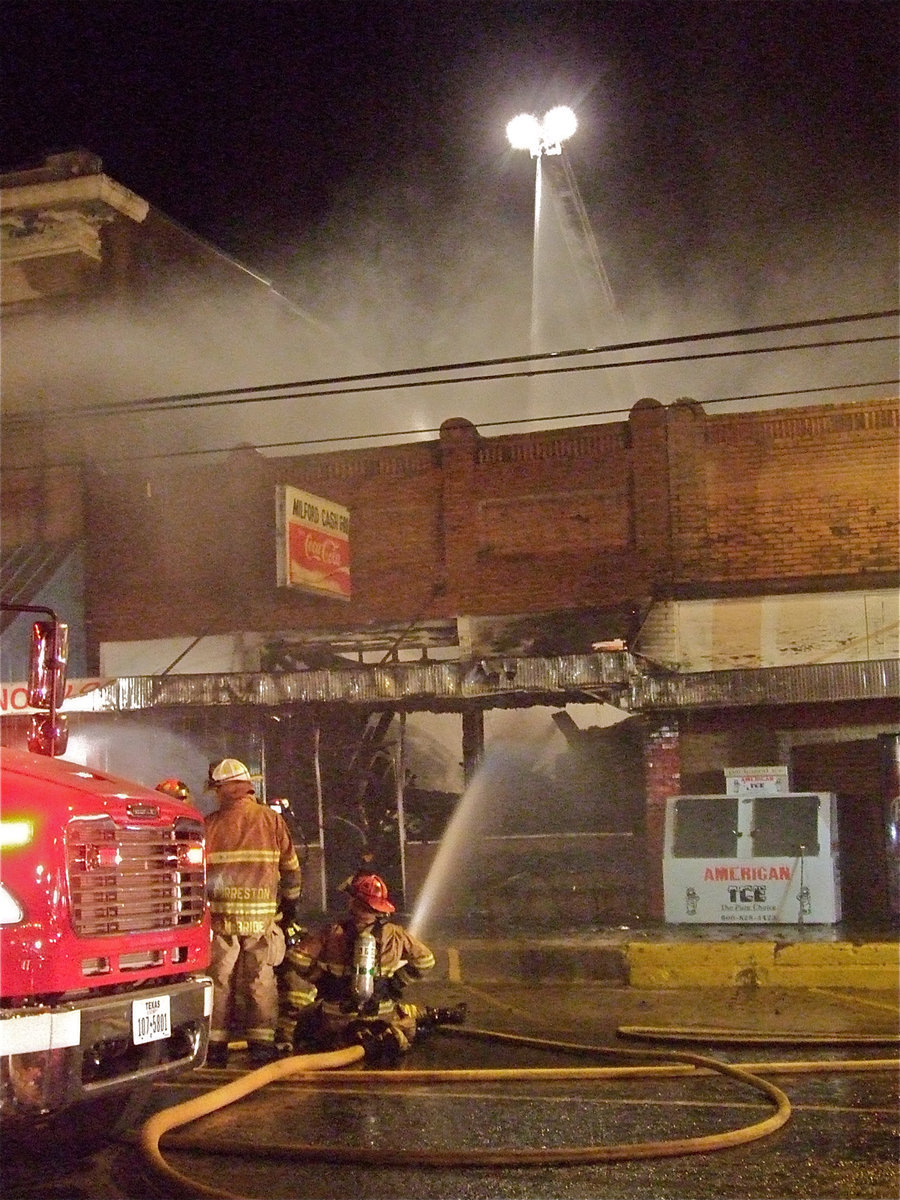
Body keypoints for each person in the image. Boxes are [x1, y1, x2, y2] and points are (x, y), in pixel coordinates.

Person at [279, 871, 465, 1064]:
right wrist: (395, 982)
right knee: (404, 1020)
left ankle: (434, 1016)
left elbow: (297, 957)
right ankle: (436, 1016)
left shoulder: (333, 932)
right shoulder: (395, 934)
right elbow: (426, 961)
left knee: (306, 1020)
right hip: (381, 1017)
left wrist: (321, 979)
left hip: (337, 1020)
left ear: (355, 903)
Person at [204, 757, 303, 1068]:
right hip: (262, 919)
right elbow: (291, 871)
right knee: (260, 979)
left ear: (222, 790)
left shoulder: (209, 826)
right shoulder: (272, 821)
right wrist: (289, 907)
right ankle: (261, 1044)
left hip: (220, 921)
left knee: (219, 980)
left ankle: (214, 1045)